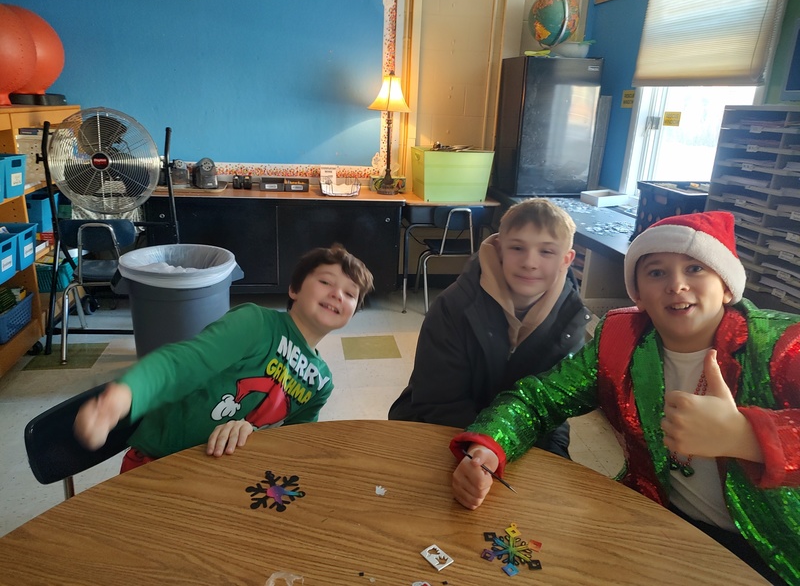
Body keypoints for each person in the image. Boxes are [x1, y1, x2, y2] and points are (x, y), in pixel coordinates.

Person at [449, 211, 799, 584]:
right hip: (654, 524)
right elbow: (538, 399)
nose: (676, 285)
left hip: (772, 552)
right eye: (657, 272)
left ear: (727, 286)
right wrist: (490, 445)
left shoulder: (780, 345)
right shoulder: (620, 338)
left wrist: (749, 437)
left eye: (695, 269)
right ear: (639, 295)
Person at [74, 244, 374, 472]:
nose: (337, 294)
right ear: (294, 289)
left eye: (350, 294)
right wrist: (122, 397)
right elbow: (182, 363)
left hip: (226, 474)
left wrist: (252, 433)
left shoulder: (321, 383)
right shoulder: (254, 323)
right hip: (158, 463)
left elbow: (294, 444)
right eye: (326, 282)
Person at [389, 198, 590, 458]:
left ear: (567, 259)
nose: (530, 262)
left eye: (546, 252)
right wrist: (484, 449)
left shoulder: (571, 321)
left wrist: (553, 456)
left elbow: (553, 412)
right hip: (440, 431)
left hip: (516, 444)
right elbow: (438, 402)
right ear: (499, 249)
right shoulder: (454, 306)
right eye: (518, 248)